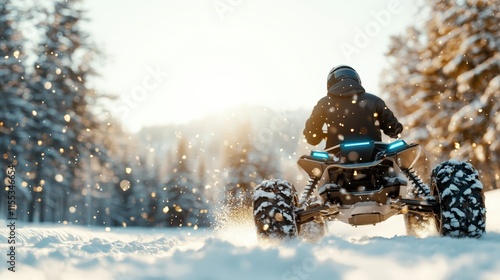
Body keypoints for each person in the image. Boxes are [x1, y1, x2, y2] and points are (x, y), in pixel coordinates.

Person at [303, 65, 403, 149]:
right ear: (356, 79)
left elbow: (312, 137)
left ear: (330, 82)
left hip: (336, 161)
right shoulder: (374, 100)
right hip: (374, 158)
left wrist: (323, 135)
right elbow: (394, 130)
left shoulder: (323, 103)